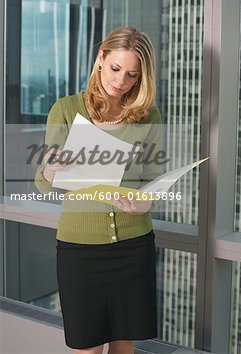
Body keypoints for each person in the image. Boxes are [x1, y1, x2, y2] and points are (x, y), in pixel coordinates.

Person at [35, 27, 163, 354]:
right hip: (80, 251)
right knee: (86, 348)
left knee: (124, 346)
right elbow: (43, 180)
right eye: (116, 69)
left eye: (132, 75)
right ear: (101, 59)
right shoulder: (65, 109)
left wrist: (145, 203)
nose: (121, 81)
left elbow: (153, 179)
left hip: (134, 247)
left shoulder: (148, 116)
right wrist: (51, 167)